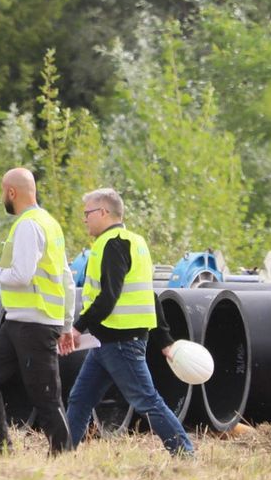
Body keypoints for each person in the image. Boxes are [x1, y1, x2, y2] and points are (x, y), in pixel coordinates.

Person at [59, 187, 195, 456]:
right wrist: (164, 341)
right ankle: (62, 454)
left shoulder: (114, 244)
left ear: (103, 212)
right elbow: (150, 297)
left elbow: (109, 297)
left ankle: (184, 452)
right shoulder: (135, 242)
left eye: (87, 213)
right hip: (107, 341)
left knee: (147, 400)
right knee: (80, 397)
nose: (84, 219)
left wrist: (76, 327)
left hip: (120, 341)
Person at [0, 167, 73, 454]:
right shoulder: (49, 223)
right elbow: (68, 280)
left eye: (3, 191)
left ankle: (63, 454)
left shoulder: (28, 225)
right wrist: (66, 325)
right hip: (20, 322)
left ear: (11, 192)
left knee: (46, 397)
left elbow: (22, 275)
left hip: (34, 324)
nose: (3, 197)